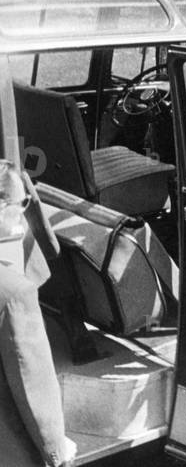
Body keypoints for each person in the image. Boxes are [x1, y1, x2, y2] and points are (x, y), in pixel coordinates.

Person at [0, 160, 77, 467]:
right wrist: (56, 450)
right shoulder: (14, 293)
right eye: (19, 206)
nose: (22, 216)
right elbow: (32, 385)